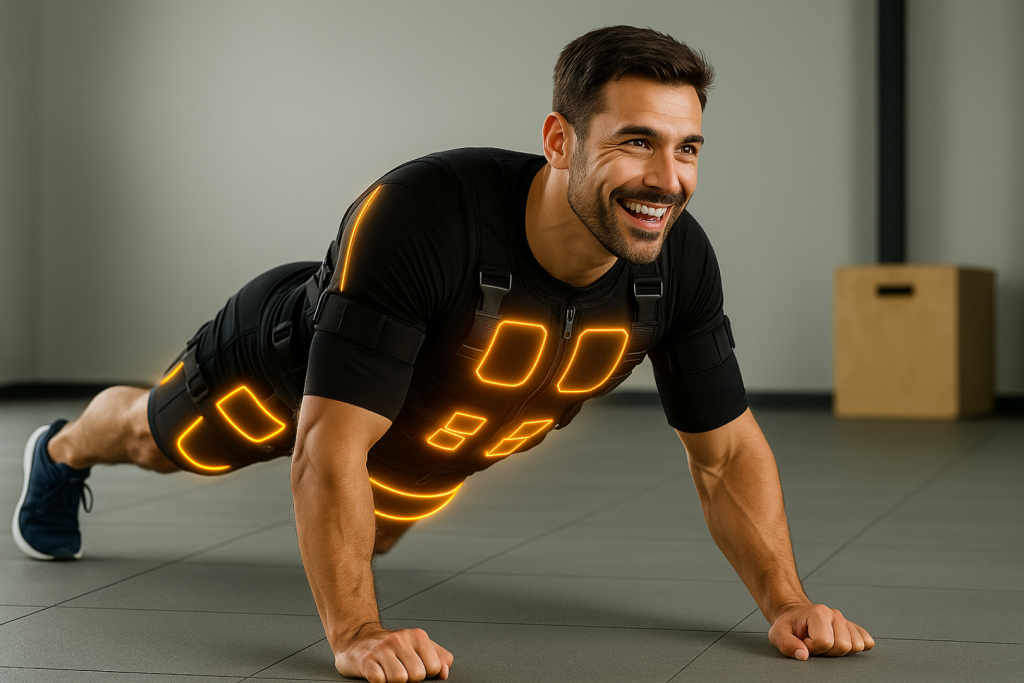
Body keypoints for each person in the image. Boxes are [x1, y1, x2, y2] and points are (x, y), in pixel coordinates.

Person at [12, 25, 874, 683]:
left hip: (434, 432)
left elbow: (725, 456)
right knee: (159, 444)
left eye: (686, 148)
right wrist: (355, 636)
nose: (668, 177)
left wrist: (789, 603)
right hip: (280, 372)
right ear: (561, 139)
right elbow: (328, 446)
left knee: (367, 537)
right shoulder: (426, 214)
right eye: (636, 141)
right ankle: (57, 449)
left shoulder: (678, 263)